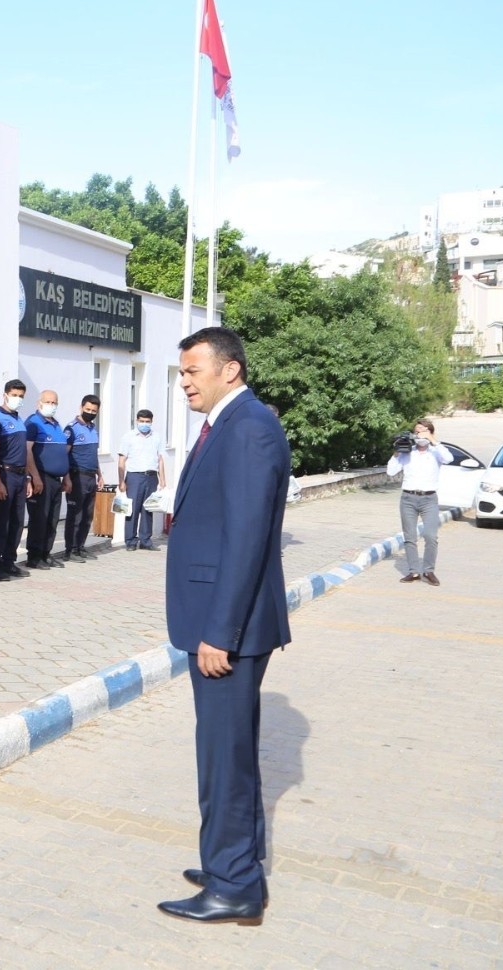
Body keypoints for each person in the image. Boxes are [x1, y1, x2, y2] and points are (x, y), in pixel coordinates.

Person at [157, 326, 290, 926]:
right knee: (226, 752)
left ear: (228, 370)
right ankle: (233, 863)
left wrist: (221, 633)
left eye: (192, 371)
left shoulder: (250, 429)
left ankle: (233, 885)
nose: (184, 382)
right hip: (218, 618)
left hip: (226, 628)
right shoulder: (230, 425)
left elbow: (246, 540)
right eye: (182, 373)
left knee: (223, 755)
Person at [385, 419, 448, 586]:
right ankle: (413, 572)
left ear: (430, 433)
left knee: (431, 536)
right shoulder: (408, 452)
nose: (419, 434)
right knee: (409, 537)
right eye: (417, 431)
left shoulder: (436, 452)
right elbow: (391, 471)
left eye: (424, 431)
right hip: (408, 499)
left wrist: (434, 440)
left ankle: (428, 570)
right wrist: (397, 451)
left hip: (429, 499)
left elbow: (448, 458)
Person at [0, 379, 32, 580]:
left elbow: (24, 451)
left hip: (20, 476)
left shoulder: (19, 419)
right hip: (4, 474)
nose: (18, 399)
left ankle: (9, 561)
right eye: (14, 395)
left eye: (21, 396)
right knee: (1, 522)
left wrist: (28, 477)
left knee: (17, 521)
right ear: (5, 395)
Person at [24, 390, 69, 570]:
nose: (51, 405)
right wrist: (34, 477)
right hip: (41, 478)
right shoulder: (33, 423)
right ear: (39, 403)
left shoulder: (57, 425)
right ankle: (34, 556)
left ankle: (45, 553)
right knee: (39, 519)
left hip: (56, 480)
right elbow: (27, 452)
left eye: (54, 402)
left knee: (52, 519)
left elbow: (62, 454)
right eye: (48, 401)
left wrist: (66, 477)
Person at [117, 408, 167, 551]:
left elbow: (160, 459)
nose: (145, 424)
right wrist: (121, 481)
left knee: (148, 508)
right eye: (142, 421)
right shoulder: (129, 437)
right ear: (137, 421)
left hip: (151, 476)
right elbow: (122, 460)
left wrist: (162, 479)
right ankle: (131, 541)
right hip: (134, 477)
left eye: (147, 421)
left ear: (152, 422)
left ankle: (145, 540)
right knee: (132, 509)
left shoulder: (156, 437)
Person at [62, 395, 103, 562]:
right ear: (81, 408)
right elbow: (64, 455)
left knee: (87, 515)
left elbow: (94, 455)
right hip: (76, 476)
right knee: (75, 515)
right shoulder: (71, 429)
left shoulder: (93, 428)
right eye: (88, 410)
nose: (90, 413)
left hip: (91, 477)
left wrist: (100, 475)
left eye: (94, 411)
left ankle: (80, 547)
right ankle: (70, 550)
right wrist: (67, 478)